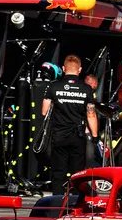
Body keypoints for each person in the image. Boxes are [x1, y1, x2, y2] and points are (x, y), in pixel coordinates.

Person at [42, 55, 99, 194]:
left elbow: (44, 111)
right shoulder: (86, 89)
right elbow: (91, 114)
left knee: (58, 172)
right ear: (79, 69)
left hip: (59, 134)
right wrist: (95, 135)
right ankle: (76, 204)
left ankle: (56, 204)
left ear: (63, 69)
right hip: (77, 136)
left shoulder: (53, 86)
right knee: (78, 173)